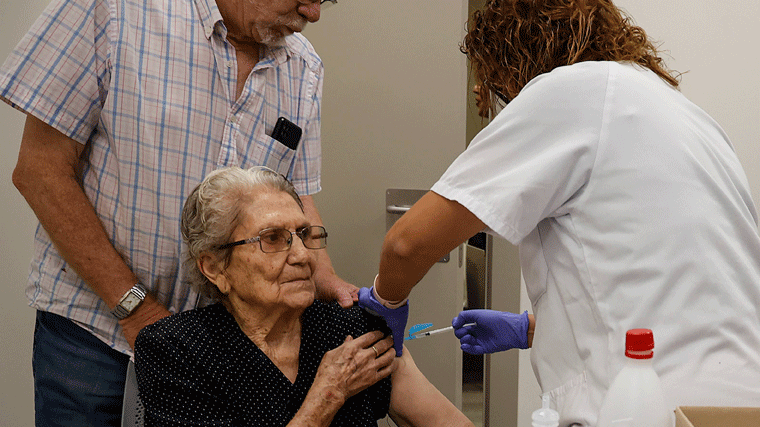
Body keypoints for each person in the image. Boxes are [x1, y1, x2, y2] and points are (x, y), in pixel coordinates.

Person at [359, 0, 760, 425]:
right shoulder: (685, 114)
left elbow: (407, 244)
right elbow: (666, 280)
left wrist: (386, 304)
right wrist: (533, 328)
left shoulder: (571, 91)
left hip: (646, 406)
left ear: (511, 59)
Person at [0, 0, 355, 425]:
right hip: (98, 339)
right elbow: (40, 172)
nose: (312, 15)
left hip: (217, 353)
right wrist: (136, 310)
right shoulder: (114, 11)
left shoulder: (303, 66)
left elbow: (293, 194)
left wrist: (323, 275)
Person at [134, 166, 475, 427]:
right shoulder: (176, 351)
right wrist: (326, 396)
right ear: (214, 266)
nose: (303, 256)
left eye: (303, 235)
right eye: (272, 238)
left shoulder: (352, 332)